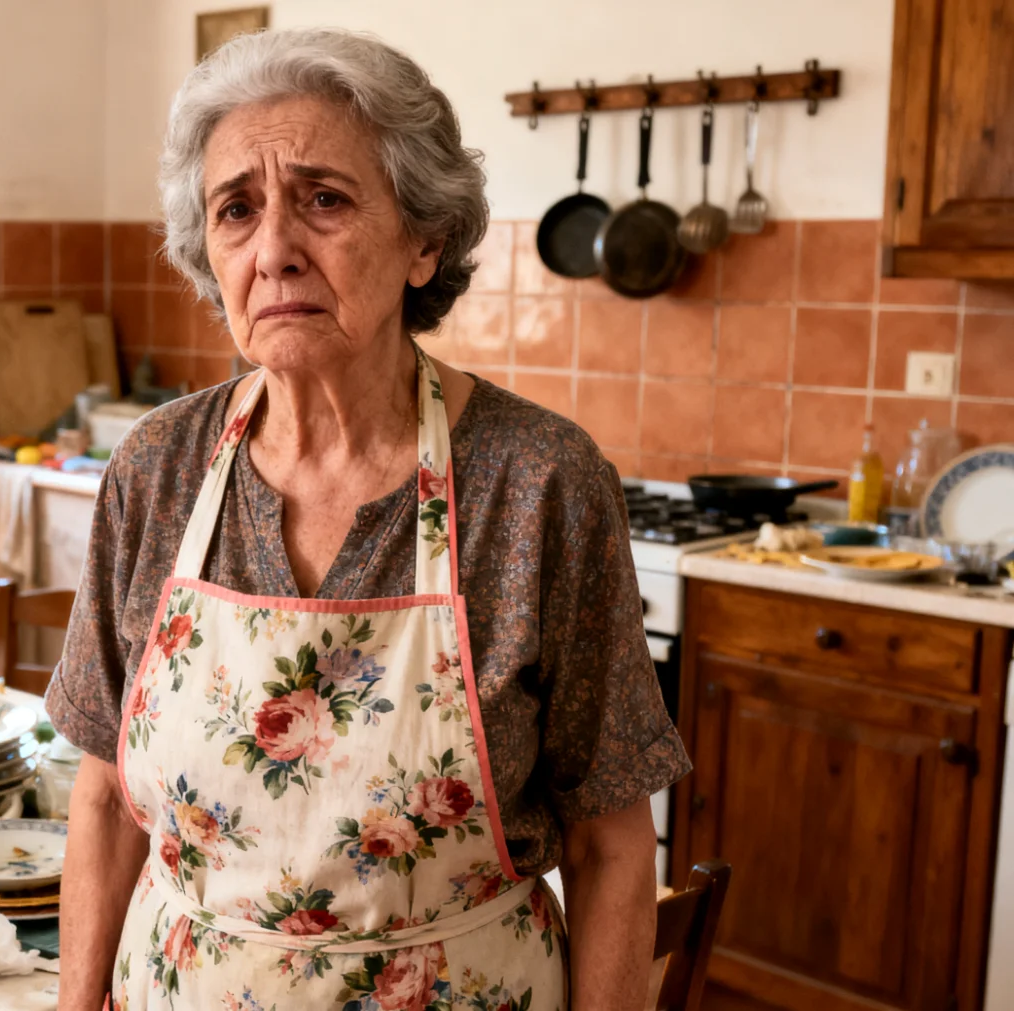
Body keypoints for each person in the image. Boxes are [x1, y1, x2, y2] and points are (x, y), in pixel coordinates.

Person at [47, 27, 689, 1011]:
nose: (274, 253)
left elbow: (611, 842)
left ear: (423, 241)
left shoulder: (540, 482)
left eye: (325, 200)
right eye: (237, 211)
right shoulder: (156, 469)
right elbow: (101, 801)